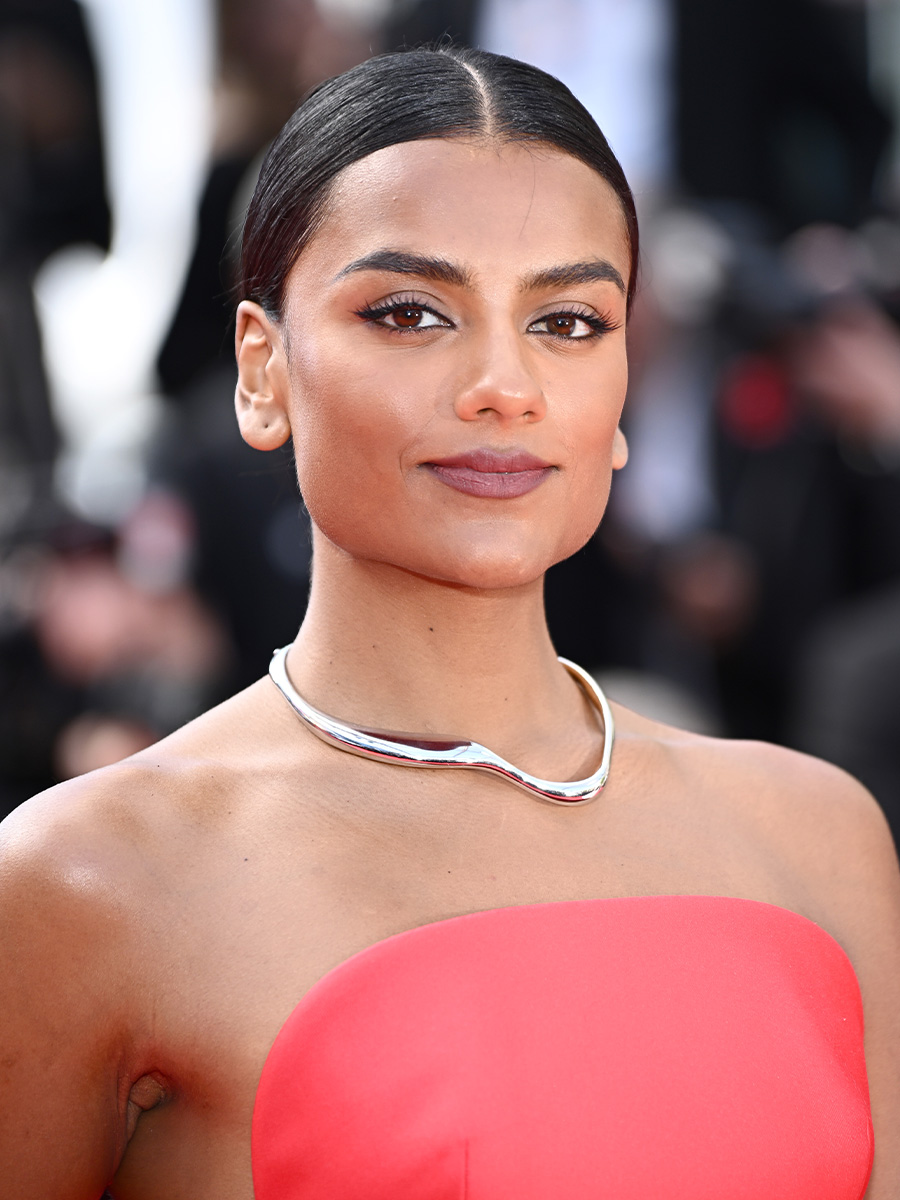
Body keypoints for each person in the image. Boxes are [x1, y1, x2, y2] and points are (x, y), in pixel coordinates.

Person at [1, 45, 898, 1200]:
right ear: (262, 373)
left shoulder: (820, 839)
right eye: (410, 312)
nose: (502, 385)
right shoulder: (85, 882)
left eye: (569, 322)